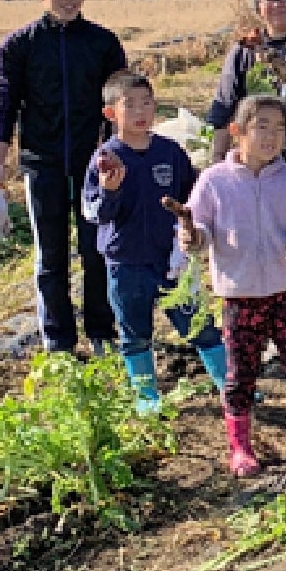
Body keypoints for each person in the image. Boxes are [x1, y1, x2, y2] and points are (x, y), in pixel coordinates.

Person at [0, 0, 126, 354]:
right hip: (41, 162)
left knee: (97, 249)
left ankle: (102, 333)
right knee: (51, 257)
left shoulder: (102, 43)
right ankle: (59, 343)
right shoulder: (19, 46)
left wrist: (117, 152)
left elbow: (118, 103)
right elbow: (4, 108)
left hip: (93, 165)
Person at [182, 95, 286, 478]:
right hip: (239, 292)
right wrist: (192, 237)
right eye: (262, 126)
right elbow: (199, 228)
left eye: (279, 129)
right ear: (237, 132)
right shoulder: (214, 180)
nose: (271, 136)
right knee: (240, 371)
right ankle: (240, 447)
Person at [81, 71, 227, 414]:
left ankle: (231, 387)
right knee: (135, 332)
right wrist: (110, 191)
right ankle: (147, 399)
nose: (140, 111)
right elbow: (94, 214)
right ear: (110, 113)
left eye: (146, 102)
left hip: (171, 260)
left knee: (200, 326)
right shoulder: (106, 159)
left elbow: (193, 200)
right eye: (129, 104)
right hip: (126, 262)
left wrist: (186, 241)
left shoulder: (170, 153)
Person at [207, 0, 286, 163]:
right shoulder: (245, 50)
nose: (278, 4)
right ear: (258, 7)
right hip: (254, 154)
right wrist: (218, 161)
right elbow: (224, 108)